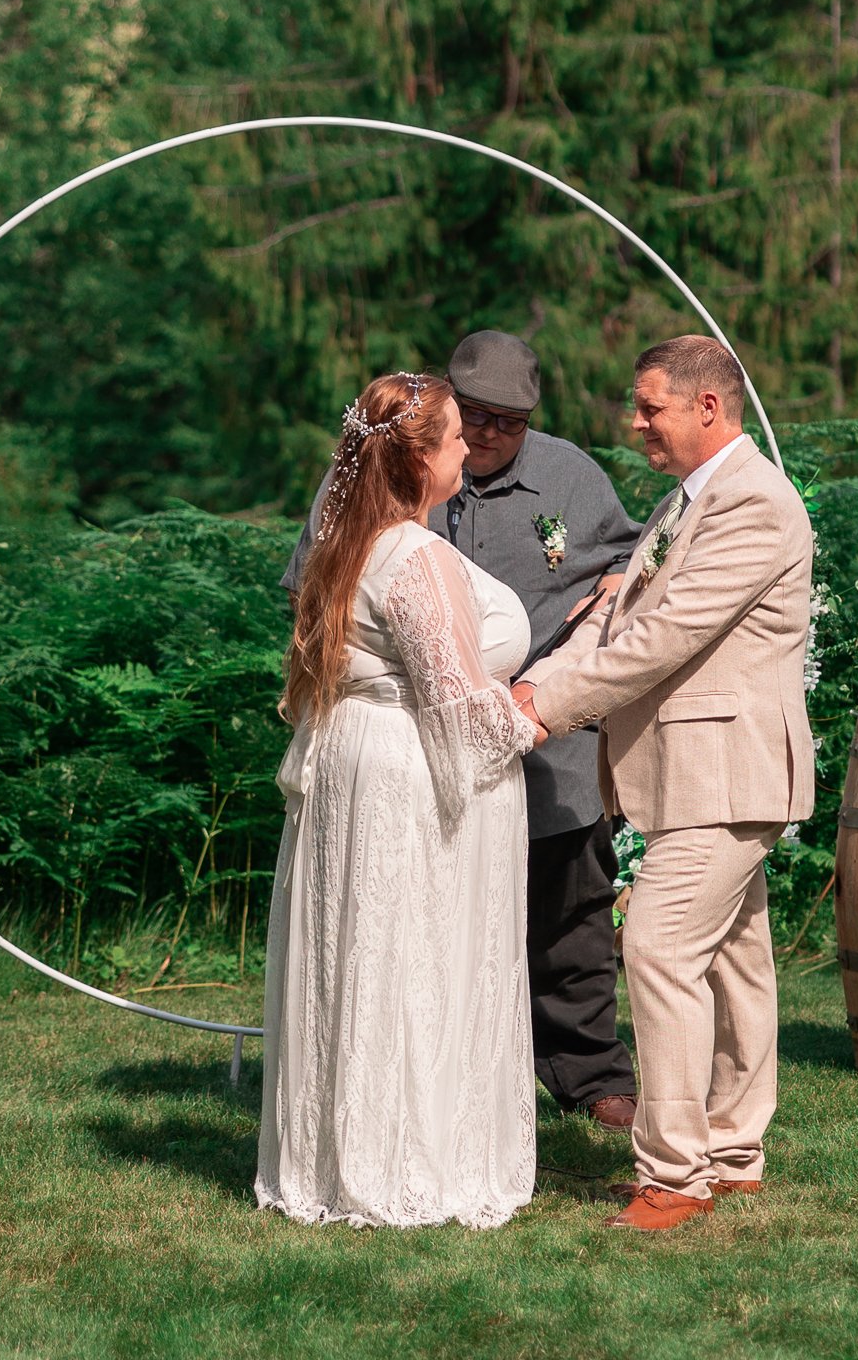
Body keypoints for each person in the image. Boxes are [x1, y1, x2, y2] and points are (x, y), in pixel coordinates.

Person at [283, 331, 641, 1129]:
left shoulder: (571, 476)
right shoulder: (373, 478)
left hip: (549, 739)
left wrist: (596, 630)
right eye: (471, 417)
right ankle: (441, 1075)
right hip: (416, 746)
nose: (485, 435)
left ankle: (589, 1072)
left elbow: (630, 562)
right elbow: (314, 589)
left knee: (572, 917)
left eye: (508, 423)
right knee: (429, 923)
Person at [516, 334, 815, 1234]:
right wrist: (534, 680)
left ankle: (675, 1176)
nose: (636, 423)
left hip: (727, 772)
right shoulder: (689, 498)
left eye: (651, 408)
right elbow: (612, 613)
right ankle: (732, 1153)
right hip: (701, 773)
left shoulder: (753, 502)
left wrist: (543, 710)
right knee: (736, 961)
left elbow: (663, 638)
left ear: (707, 407)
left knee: (656, 946)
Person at [257, 372, 538, 1230]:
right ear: (418, 460)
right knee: (410, 951)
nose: (466, 449)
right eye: (453, 439)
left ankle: (336, 1154)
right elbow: (454, 701)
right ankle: (407, 1161)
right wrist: (533, 718)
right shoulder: (414, 555)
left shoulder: (344, 539)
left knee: (359, 949)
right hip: (402, 771)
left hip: (351, 757)